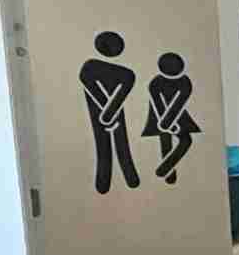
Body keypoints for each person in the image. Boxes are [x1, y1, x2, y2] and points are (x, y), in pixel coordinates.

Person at [79, 30, 140, 194]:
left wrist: (108, 112)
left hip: (108, 110)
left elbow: (86, 79)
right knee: (116, 145)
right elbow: (87, 80)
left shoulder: (91, 67)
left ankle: (111, 183)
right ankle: (124, 181)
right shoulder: (125, 73)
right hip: (109, 110)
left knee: (110, 146)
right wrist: (109, 112)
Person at [143, 51, 200, 184]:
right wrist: (166, 123)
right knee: (167, 141)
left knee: (185, 140)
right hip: (161, 117)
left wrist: (168, 122)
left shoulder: (184, 82)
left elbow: (179, 102)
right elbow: (157, 103)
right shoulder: (157, 82)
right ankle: (168, 175)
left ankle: (165, 170)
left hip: (174, 117)